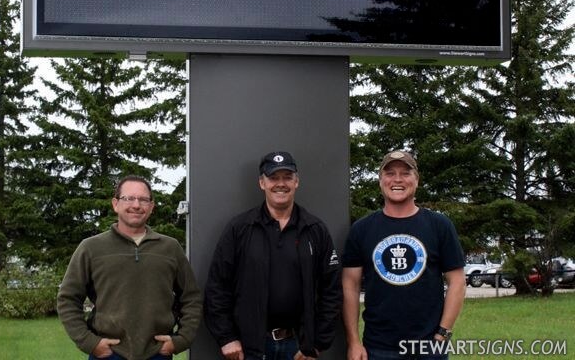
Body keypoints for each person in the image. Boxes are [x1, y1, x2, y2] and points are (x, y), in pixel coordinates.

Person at [204, 151, 342, 360]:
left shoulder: (315, 229)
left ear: (297, 182)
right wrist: (226, 337)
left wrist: (316, 344)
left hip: (299, 347)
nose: (281, 184)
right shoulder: (240, 228)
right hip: (251, 348)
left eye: (287, 177)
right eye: (273, 178)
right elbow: (217, 287)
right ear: (262, 183)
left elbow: (331, 291)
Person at [57, 175, 202, 360]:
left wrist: (180, 340)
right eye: (128, 198)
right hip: (108, 354)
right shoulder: (91, 248)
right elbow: (67, 298)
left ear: (151, 207)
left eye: (143, 199)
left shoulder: (170, 248)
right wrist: (90, 343)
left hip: (157, 353)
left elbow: (191, 298)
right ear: (115, 204)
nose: (136, 205)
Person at [342, 151, 465, 360]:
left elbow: (457, 282)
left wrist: (442, 335)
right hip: (378, 348)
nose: (397, 179)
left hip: (428, 347)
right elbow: (350, 286)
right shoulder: (361, 229)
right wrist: (353, 341)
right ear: (380, 180)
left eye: (405, 173)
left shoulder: (439, 225)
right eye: (389, 173)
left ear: (416, 180)